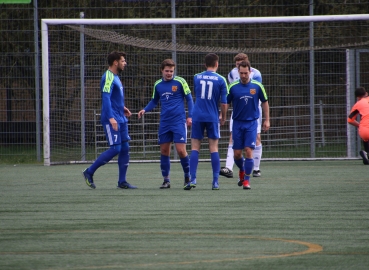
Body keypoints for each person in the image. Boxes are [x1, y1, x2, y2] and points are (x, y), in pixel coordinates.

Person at [82, 51, 137, 189]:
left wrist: (122, 107)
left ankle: (122, 182)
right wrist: (111, 117)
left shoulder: (115, 77)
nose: (125, 63)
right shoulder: (108, 77)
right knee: (115, 149)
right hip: (111, 119)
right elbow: (106, 98)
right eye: (123, 61)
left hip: (121, 118)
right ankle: (89, 172)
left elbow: (113, 98)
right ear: (115, 62)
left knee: (125, 148)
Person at [138, 59, 194, 189]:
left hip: (179, 121)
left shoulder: (181, 82)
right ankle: (166, 180)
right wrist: (144, 109)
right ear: (161, 70)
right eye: (167, 71)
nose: (169, 73)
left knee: (181, 150)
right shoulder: (158, 85)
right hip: (164, 122)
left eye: (171, 71)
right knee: (164, 151)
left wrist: (190, 116)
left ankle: (187, 177)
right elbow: (154, 101)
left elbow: (190, 99)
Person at [185, 53, 228, 190]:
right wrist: (224, 116)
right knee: (213, 148)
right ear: (217, 64)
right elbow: (224, 103)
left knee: (195, 148)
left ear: (205, 64)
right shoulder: (221, 80)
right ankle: (215, 182)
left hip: (197, 115)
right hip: (212, 116)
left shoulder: (196, 77)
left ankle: (193, 179)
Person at [226, 60, 270, 189]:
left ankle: (246, 180)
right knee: (237, 154)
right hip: (237, 123)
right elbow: (226, 103)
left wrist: (267, 120)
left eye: (246, 73)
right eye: (241, 73)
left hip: (252, 123)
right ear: (238, 72)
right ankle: (242, 169)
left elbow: (265, 102)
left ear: (250, 72)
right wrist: (222, 115)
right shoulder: (233, 87)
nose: (244, 76)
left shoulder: (257, 86)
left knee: (249, 151)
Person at [219, 53, 263, 178]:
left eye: (242, 63)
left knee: (257, 138)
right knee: (232, 137)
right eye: (237, 64)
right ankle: (229, 167)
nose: (239, 68)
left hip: (253, 110)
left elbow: (256, 92)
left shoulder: (257, 74)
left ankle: (256, 168)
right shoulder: (232, 74)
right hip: (238, 111)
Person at [347, 86, 369, 165]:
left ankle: (366, 154)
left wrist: (360, 126)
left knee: (366, 139)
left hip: (364, 129)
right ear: (366, 93)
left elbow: (350, 120)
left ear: (357, 97)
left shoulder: (358, 104)